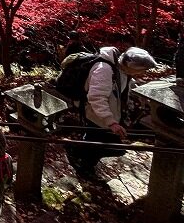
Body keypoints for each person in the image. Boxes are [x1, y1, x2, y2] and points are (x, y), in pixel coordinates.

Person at [67, 46, 158, 179]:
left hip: (104, 114)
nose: (143, 73)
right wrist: (111, 121)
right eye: (142, 70)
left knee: (100, 143)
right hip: (95, 113)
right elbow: (96, 97)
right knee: (101, 144)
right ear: (133, 66)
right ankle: (82, 163)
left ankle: (81, 160)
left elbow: (123, 88)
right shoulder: (104, 70)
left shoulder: (122, 70)